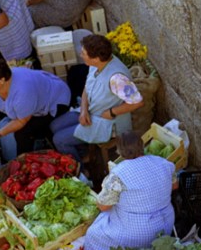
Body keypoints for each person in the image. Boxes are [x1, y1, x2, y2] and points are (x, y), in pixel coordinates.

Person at [82, 131, 175, 250]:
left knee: (93, 235)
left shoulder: (118, 174)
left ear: (119, 151)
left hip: (139, 233)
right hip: (166, 224)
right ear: (142, 146)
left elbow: (103, 206)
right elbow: (175, 185)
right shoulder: (163, 163)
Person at [52, 33, 143, 165]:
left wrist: (111, 112)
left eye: (83, 53)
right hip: (90, 110)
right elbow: (87, 87)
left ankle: (81, 171)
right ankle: (85, 153)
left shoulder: (117, 78)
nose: (80, 54)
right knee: (54, 126)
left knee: (59, 139)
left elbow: (138, 102)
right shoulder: (96, 65)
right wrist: (83, 110)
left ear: (95, 58)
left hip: (107, 122)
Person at [0, 56, 72, 161]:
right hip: (32, 99)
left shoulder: (23, 92)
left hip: (56, 100)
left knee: (22, 133)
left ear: (2, 80)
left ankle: (23, 162)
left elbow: (21, 121)